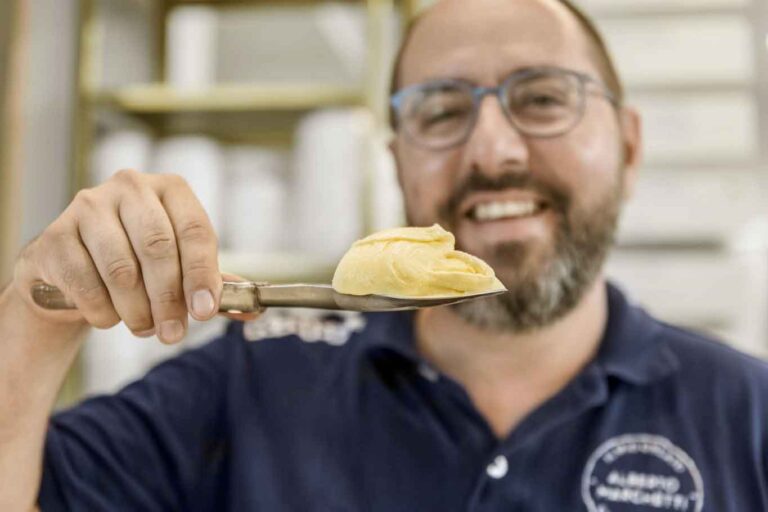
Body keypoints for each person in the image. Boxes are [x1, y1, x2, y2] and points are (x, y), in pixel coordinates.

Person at [2, 0, 767, 510]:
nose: (493, 149)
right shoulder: (246, 385)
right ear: (397, 162)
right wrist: (33, 314)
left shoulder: (749, 416)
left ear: (629, 148)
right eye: (441, 109)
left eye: (543, 98)